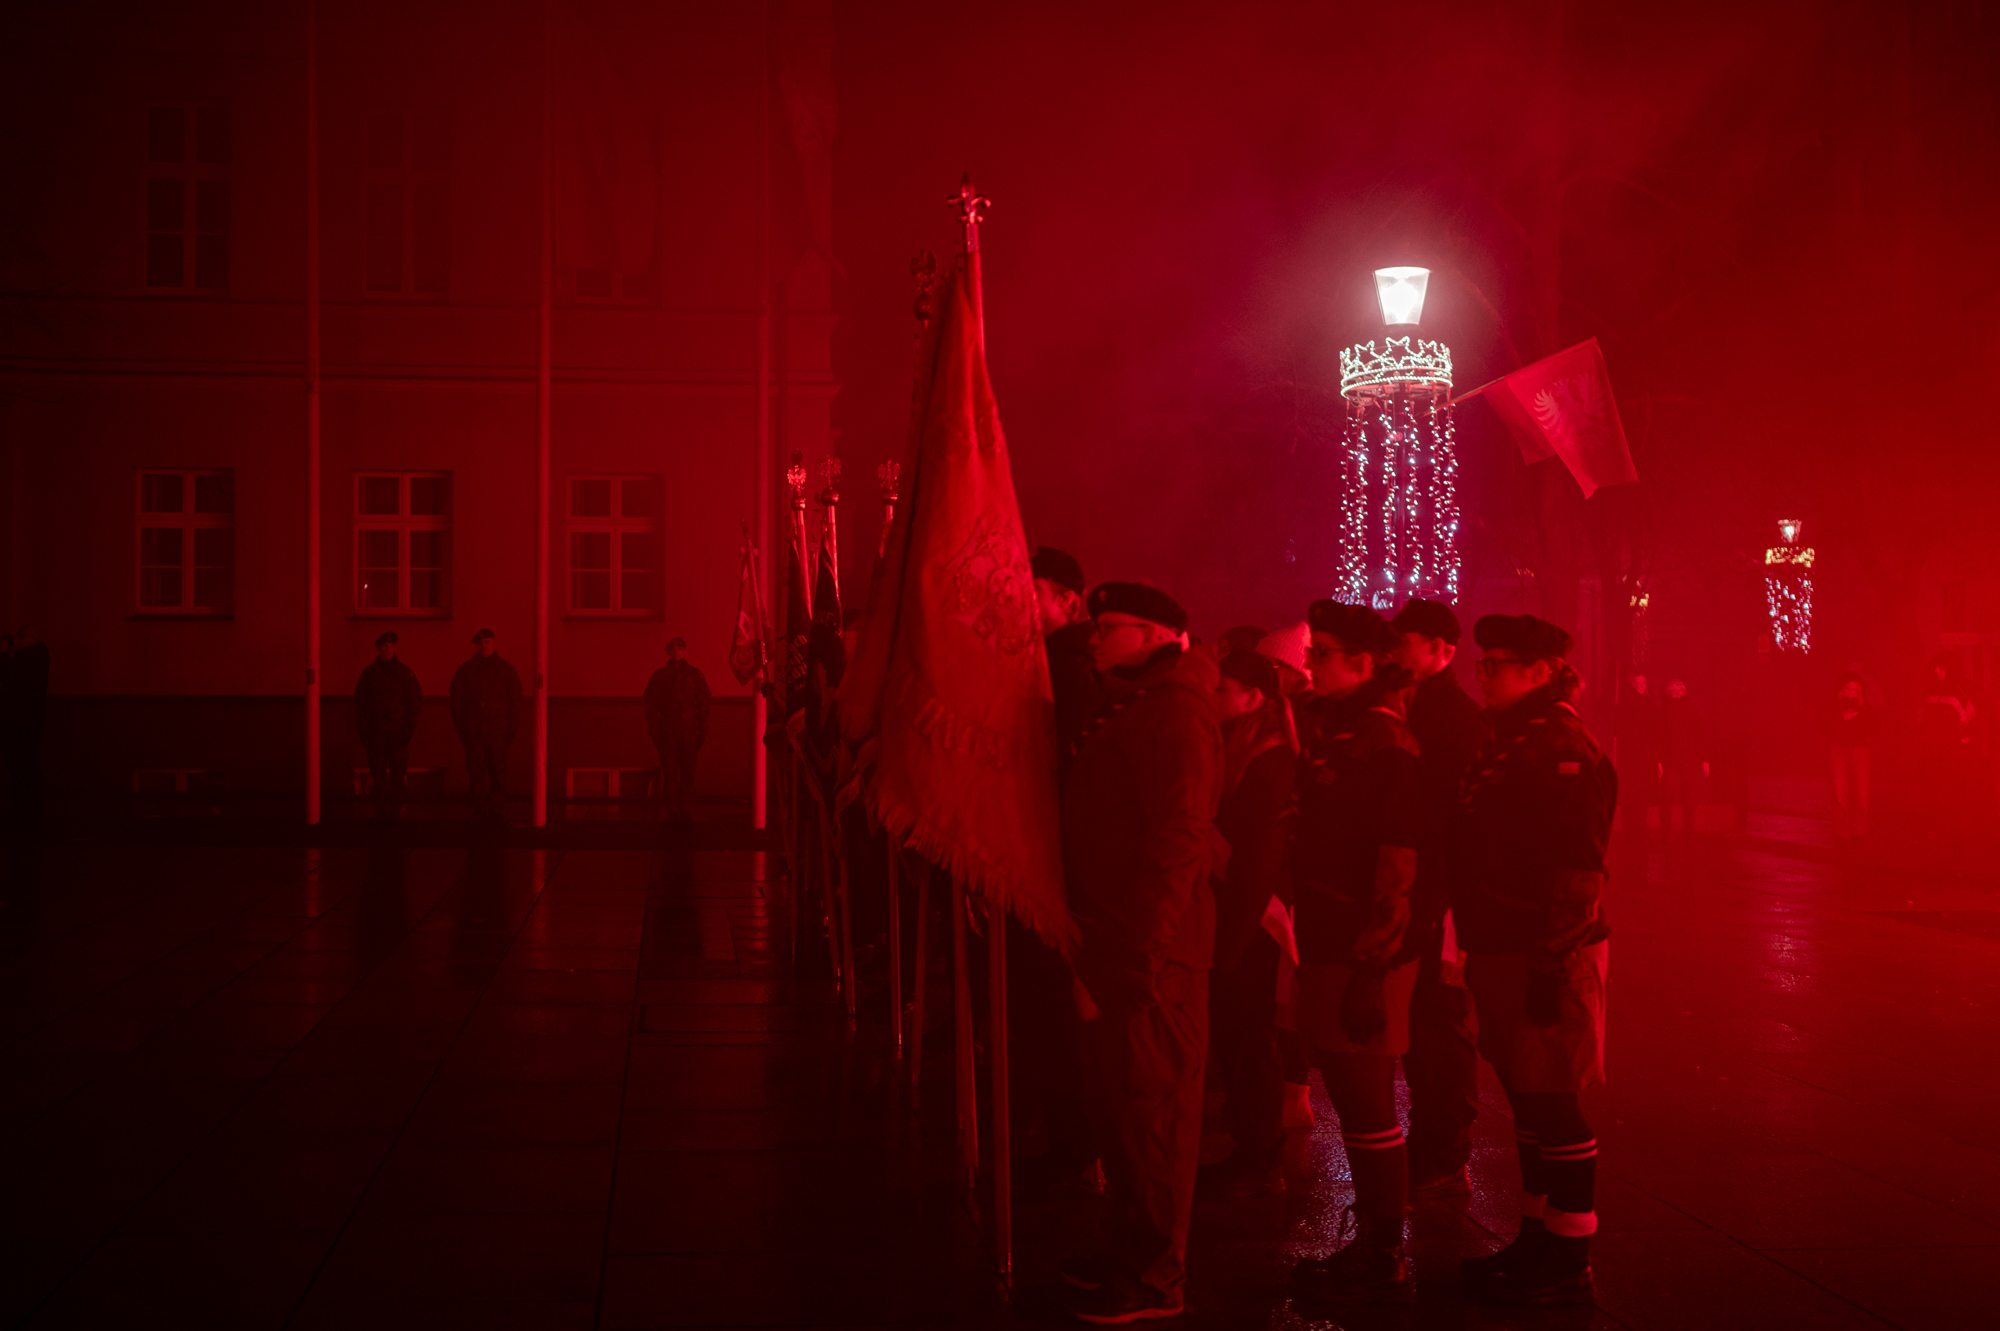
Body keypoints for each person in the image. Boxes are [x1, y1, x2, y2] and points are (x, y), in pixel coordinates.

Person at [1061, 581, 1221, 1325]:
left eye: (1108, 627)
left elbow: (1179, 836)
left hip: (1152, 948)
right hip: (1116, 938)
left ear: (1155, 635)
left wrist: (1147, 948)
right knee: (1119, 1111)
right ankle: (1128, 1249)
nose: (1094, 638)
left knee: (1154, 1115)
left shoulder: (1175, 712)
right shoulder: (1138, 704)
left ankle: (1156, 1276)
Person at [1455, 614, 1616, 1306]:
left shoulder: (1563, 746)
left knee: (1553, 1098)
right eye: (1484, 663)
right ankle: (1535, 1237)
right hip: (1502, 940)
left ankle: (1569, 1253)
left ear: (1542, 671)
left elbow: (1579, 867)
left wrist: (1551, 960)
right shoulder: (1515, 737)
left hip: (1542, 946)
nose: (1484, 675)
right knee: (1526, 1093)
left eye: (1497, 664)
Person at [1287, 601, 1422, 1304]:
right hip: (1330, 939)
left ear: (1365, 664)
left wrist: (1372, 968)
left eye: (1324, 653)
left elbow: (1397, 861)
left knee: (1368, 1101)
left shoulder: (1384, 741)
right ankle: (1373, 1241)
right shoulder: (1342, 731)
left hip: (1363, 949)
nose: (1312, 664)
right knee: (1349, 1094)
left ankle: (1383, 1250)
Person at [1390, 597, 1486, 1202]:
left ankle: (1446, 1149)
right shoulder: (1415, 706)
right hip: (1421, 889)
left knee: (1439, 1022)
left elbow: (1454, 818)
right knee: (1420, 1022)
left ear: (1439, 650)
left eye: (1405, 641)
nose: (1395, 651)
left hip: (1440, 894)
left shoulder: (1452, 716)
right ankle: (1431, 1141)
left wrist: (1442, 898)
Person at [1199, 648, 1298, 1198]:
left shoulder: (1269, 758)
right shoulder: (1236, 746)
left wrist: (1233, 942)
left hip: (1252, 923)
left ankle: (1259, 1153)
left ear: (1253, 698)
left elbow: (1258, 857)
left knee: (1249, 1038)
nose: (1212, 695)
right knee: (1238, 1036)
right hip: (1235, 916)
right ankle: (1252, 1144)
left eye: (1222, 688)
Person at [1033, 546, 1099, 771]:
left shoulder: (1077, 671)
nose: (1019, 598)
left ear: (1068, 602)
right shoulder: (1034, 655)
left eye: (1034, 590)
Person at [449, 629, 523, 823]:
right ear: (476, 646)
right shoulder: (466, 670)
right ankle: (479, 810)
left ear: (494, 643)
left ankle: (497, 810)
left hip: (498, 732)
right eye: (480, 643)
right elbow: (456, 702)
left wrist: (510, 731)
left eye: (487, 642)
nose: (484, 646)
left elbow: (515, 702)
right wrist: (461, 730)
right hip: (474, 732)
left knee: (498, 772)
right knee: (476, 773)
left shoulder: (506, 670)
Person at [1917, 652, 1982, 870]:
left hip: (1955, 758)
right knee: (1935, 802)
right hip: (1932, 758)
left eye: (1941, 667)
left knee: (1956, 803)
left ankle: (1957, 850)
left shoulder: (1962, 692)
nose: (1937, 671)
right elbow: (1920, 722)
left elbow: (1971, 725)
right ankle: (1937, 849)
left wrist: (1961, 751)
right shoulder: (1928, 692)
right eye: (1935, 667)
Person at [354, 631, 423, 820]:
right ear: (378, 649)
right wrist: (362, 729)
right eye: (385, 646)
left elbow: (415, 703)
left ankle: (395, 812)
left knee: (397, 775)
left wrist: (408, 729)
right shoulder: (369, 674)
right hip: (376, 733)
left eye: (392, 646)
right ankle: (381, 812)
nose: (388, 650)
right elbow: (360, 703)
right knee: (378, 776)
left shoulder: (404, 673)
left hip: (398, 734)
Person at [643, 637, 711, 822]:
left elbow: (704, 704)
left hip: (689, 731)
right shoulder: (659, 676)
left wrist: (702, 730)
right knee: (670, 772)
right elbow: (651, 706)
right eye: (673, 649)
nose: (676, 652)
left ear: (685, 652)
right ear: (668, 652)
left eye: (680, 649)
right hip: (668, 731)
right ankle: (672, 811)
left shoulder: (695, 675)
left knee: (688, 772)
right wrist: (654, 731)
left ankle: (686, 808)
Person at [0, 627, 51, 822]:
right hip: (28, 721)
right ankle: (30, 810)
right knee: (26, 766)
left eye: (20, 636)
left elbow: (10, 679)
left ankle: (26, 811)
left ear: (30, 638)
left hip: (21, 722)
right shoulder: (36, 658)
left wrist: (5, 656)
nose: (17, 640)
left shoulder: (29, 659)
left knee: (22, 767)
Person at [1821, 672, 1875, 845]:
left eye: (1855, 689)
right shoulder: (1832, 705)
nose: (1851, 693)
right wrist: (1842, 719)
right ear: (1841, 690)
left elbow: (1875, 728)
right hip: (1837, 750)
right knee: (1839, 792)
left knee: (1861, 792)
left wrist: (1861, 712)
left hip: (1859, 750)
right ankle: (1842, 834)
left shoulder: (1865, 706)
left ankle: (1858, 831)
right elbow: (1822, 725)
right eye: (1847, 689)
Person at [1614, 673, 1661, 859]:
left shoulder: (1649, 702)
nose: (1641, 685)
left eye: (1644, 682)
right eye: (1638, 682)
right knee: (1633, 795)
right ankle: (1634, 832)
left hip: (1645, 756)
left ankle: (1639, 830)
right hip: (1633, 756)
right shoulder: (1628, 704)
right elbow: (1620, 728)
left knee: (1642, 795)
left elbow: (1654, 730)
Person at [1657, 678, 1707, 837]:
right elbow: (1659, 738)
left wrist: (1704, 759)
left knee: (1690, 798)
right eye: (1675, 691)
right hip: (1669, 761)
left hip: (1689, 761)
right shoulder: (1663, 714)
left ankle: (1689, 831)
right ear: (1668, 693)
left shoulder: (1692, 713)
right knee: (1667, 797)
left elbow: (1699, 737)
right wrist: (1659, 760)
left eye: (1681, 691)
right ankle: (1666, 829)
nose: (1678, 694)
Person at [1256, 622, 1314, 704]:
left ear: (1293, 673)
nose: (1259, 673)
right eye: (1257, 665)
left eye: (1269, 665)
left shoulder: (1315, 709)